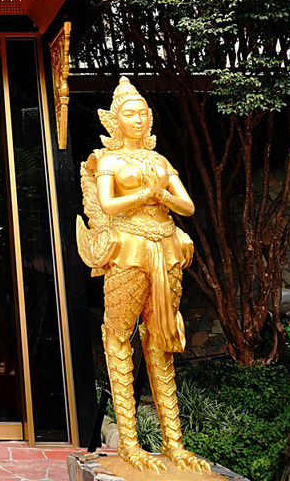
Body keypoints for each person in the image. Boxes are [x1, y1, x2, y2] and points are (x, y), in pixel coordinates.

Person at [76, 77, 209, 473]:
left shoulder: (160, 162)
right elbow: (106, 203)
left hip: (165, 249)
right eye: (128, 114)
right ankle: (129, 444)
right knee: (118, 337)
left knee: (161, 340)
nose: (136, 119)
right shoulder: (108, 160)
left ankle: (174, 443)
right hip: (129, 251)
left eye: (141, 114)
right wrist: (144, 195)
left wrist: (162, 195)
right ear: (115, 121)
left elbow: (187, 206)